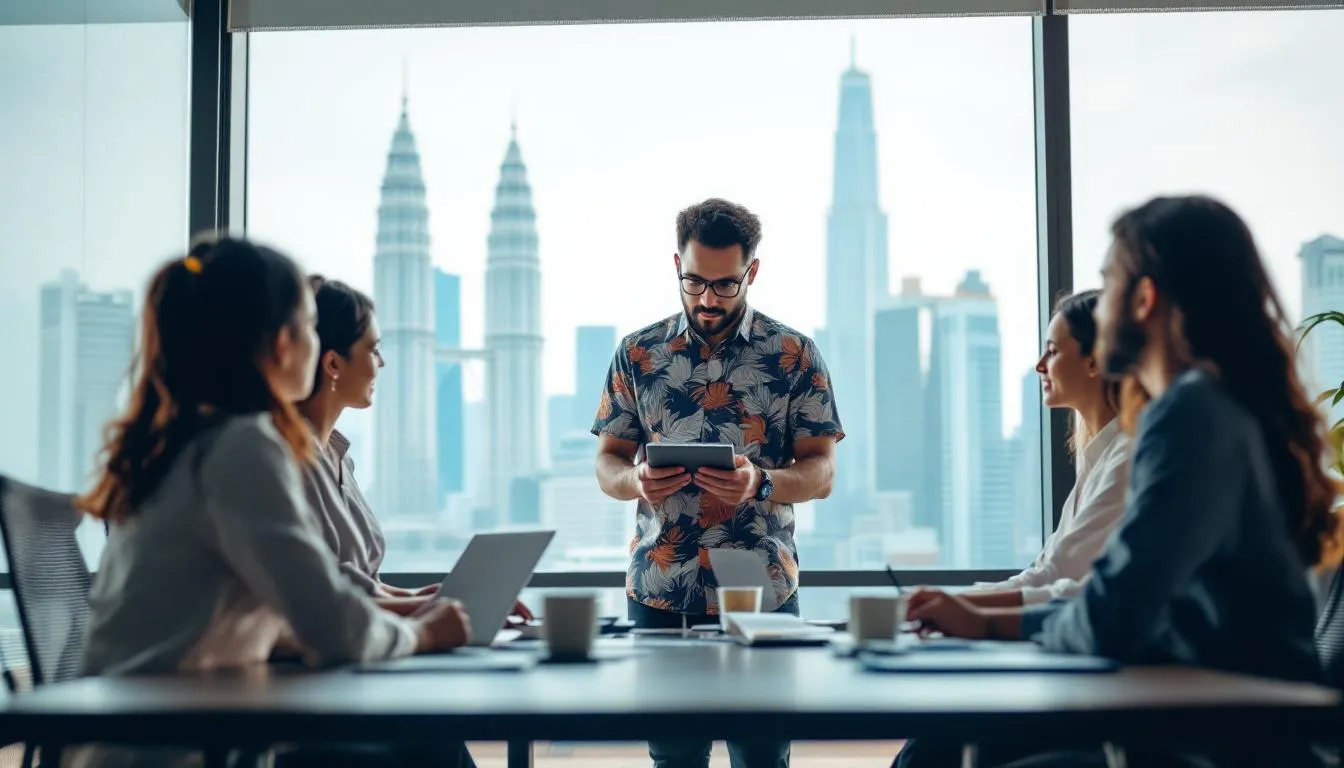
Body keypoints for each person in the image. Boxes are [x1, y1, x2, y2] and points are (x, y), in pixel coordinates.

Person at [899, 195, 1339, 768]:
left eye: (1109, 285)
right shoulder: (1216, 407)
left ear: (1145, 298)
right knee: (950, 748)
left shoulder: (1190, 414)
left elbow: (1114, 614)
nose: (1099, 307)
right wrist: (983, 620)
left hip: (1221, 743)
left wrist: (987, 623)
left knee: (945, 753)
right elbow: (1124, 602)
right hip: (1209, 719)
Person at [76, 237, 476, 768]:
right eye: (310, 326)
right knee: (430, 744)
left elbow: (297, 617)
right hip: (175, 748)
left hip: (174, 733)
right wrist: (424, 633)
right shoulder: (239, 446)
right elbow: (330, 626)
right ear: (283, 344)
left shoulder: (190, 442)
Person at [594, 198, 844, 768]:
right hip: (660, 588)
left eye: (725, 285)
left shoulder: (794, 354)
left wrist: (761, 482)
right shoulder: (637, 353)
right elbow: (607, 462)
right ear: (675, 266)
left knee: (762, 756)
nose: (708, 300)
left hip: (762, 587)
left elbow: (822, 472)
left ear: (751, 272)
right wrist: (634, 481)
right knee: (673, 757)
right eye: (695, 282)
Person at [296, 276, 531, 622]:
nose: (382, 363)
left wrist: (417, 597)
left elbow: (363, 583)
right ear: (333, 364)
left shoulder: (340, 457)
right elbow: (319, 596)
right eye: (373, 350)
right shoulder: (287, 460)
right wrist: (428, 609)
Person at [962, 290, 1132, 610]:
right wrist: (953, 600)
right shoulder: (1098, 458)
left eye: (1052, 352)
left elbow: (1059, 575)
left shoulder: (1126, 457)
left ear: (1094, 360)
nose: (1040, 366)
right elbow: (1042, 572)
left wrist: (962, 606)